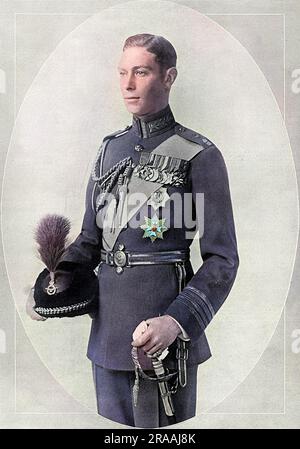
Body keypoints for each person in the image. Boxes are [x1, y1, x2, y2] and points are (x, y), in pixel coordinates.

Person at [27, 33, 239, 427]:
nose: (127, 84)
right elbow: (90, 240)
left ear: (168, 76)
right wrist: (52, 282)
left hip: (163, 338)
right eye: (122, 72)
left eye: (140, 72)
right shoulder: (109, 150)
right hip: (108, 336)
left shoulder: (200, 154)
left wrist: (175, 321)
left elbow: (223, 259)